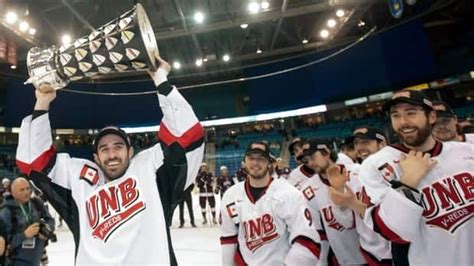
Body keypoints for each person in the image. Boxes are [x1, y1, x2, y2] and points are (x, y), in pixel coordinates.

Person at [15, 55, 205, 265]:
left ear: (130, 152)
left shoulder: (149, 172)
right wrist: (42, 102)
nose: (112, 154)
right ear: (96, 157)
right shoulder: (80, 183)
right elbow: (33, 164)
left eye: (118, 146)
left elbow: (187, 137)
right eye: (104, 149)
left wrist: (160, 78)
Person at [359, 90, 474, 265]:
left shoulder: (466, 152)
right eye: (396, 115)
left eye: (411, 113)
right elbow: (390, 232)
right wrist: (407, 183)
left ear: (432, 116)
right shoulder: (376, 165)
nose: (403, 122)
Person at [219, 141, 321, 265]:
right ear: (244, 161)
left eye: (261, 158)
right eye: (251, 158)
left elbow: (309, 241)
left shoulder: (289, 193)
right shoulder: (231, 196)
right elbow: (229, 240)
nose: (255, 163)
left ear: (269, 162)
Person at [326, 127, 393, 265]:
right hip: (372, 253)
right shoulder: (350, 176)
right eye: (357, 143)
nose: (360, 148)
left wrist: (354, 204)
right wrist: (340, 195)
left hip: (401, 247)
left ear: (382, 144)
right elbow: (347, 222)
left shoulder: (398, 168)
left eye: (366, 142)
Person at [299, 139, 367, 265]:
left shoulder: (359, 172)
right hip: (347, 259)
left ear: (326, 152)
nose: (310, 163)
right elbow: (318, 232)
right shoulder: (308, 190)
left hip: (377, 252)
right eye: (307, 160)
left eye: (313, 157)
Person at [0, 177, 55, 266]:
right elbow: (3, 243)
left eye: (28, 188)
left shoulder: (37, 203)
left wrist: (47, 229)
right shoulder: (6, 211)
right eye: (22, 190)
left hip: (36, 257)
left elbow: (49, 219)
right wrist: (24, 235)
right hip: (16, 261)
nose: (26, 192)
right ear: (13, 193)